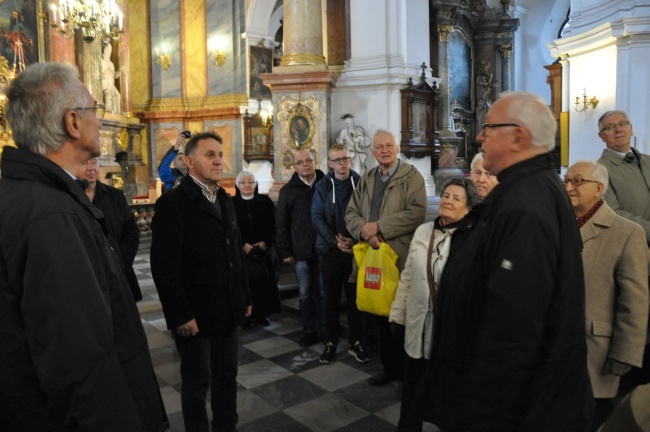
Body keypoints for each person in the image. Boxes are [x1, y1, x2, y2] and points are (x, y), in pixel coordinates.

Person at [0, 62, 167, 431]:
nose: (100, 120)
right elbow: (78, 359)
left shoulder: (26, 198)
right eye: (95, 110)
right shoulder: (52, 215)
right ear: (72, 123)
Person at [430, 92, 593, 431]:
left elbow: (514, 328)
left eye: (488, 127)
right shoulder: (528, 190)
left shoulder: (525, 207)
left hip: (511, 411)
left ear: (518, 137)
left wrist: (479, 415)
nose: (478, 136)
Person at [151, 132, 251, 432]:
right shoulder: (174, 202)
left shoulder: (223, 198)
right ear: (190, 161)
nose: (218, 160)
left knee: (227, 378)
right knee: (197, 384)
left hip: (226, 307)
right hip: (195, 313)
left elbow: (235, 251)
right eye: (210, 155)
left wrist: (244, 295)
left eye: (220, 154)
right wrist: (180, 314)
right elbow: (164, 265)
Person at [389, 177, 479, 431]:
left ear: (468, 207)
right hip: (417, 327)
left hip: (448, 334)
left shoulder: (470, 240)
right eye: (446, 196)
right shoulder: (423, 231)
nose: (448, 201)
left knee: (447, 397)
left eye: (456, 198)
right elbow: (407, 276)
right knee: (412, 390)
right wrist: (397, 314)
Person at [564, 160, 649, 431]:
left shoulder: (627, 232)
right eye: (566, 180)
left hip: (597, 351)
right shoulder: (559, 225)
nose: (568, 187)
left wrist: (626, 353)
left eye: (577, 181)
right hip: (558, 348)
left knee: (594, 420)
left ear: (599, 188)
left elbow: (634, 301)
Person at [345, 129, 427, 395]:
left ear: (397, 148)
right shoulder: (367, 178)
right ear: (372, 151)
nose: (384, 150)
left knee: (401, 319)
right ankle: (389, 368)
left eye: (389, 145)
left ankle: (407, 376)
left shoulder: (411, 177)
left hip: (398, 256)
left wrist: (379, 228)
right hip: (372, 254)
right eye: (379, 146)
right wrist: (366, 232)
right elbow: (351, 213)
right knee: (380, 315)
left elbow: (416, 213)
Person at [596, 109, 650, 388]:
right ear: (601, 136)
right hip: (635, 257)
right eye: (610, 126)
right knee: (639, 323)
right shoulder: (600, 171)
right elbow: (615, 214)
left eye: (623, 123)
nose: (618, 129)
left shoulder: (649, 161)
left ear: (631, 128)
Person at [312, 143, 370, 364]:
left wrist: (355, 240)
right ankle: (330, 341)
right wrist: (334, 241)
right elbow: (317, 216)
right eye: (337, 160)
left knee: (356, 300)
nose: (342, 163)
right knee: (330, 299)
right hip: (331, 251)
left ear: (350, 159)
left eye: (345, 158)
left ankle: (357, 341)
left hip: (356, 250)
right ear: (329, 163)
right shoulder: (322, 186)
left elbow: (368, 212)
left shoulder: (361, 182)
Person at [276, 149, 325, 347]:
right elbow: (281, 223)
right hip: (300, 252)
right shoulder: (288, 191)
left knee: (323, 292)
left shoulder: (325, 184)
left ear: (315, 161)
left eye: (309, 160)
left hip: (323, 250)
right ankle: (310, 330)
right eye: (300, 162)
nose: (305, 164)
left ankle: (326, 329)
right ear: (294, 167)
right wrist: (285, 251)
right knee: (305, 293)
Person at [78, 156, 142, 301]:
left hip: (120, 270)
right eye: (84, 162)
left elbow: (131, 231)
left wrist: (119, 261)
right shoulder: (69, 198)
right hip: (88, 276)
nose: (91, 168)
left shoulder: (115, 195)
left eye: (94, 162)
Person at [233, 170, 282, 329]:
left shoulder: (265, 201)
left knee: (262, 285)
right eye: (243, 182)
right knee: (245, 285)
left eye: (250, 182)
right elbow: (230, 229)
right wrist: (242, 244)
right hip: (242, 252)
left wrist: (266, 242)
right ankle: (245, 316)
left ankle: (262, 314)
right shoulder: (231, 203)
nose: (247, 185)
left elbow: (274, 224)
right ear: (237, 185)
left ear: (255, 184)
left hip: (262, 251)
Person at [101, 42, 122, 114]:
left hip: (111, 83)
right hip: (105, 83)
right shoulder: (101, 61)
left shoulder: (111, 63)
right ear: (104, 50)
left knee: (118, 96)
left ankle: (117, 112)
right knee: (107, 94)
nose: (109, 52)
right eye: (108, 50)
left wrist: (119, 72)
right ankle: (108, 110)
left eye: (110, 50)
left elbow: (114, 75)